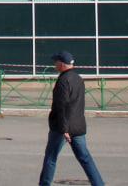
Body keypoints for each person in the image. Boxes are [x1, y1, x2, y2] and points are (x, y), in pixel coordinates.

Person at [38, 51, 104, 186]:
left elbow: (61, 107)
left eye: (56, 62)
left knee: (50, 158)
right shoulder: (78, 78)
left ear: (62, 64)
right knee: (85, 158)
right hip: (78, 126)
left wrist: (64, 129)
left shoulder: (63, 81)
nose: (54, 64)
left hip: (62, 128)